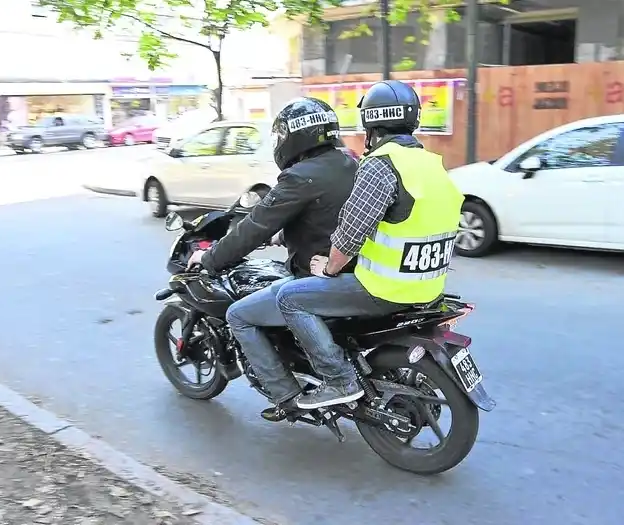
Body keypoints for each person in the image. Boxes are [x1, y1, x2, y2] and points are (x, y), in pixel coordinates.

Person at [276, 80, 465, 410]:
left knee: (290, 298)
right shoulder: (432, 164)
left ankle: (338, 381)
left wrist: (328, 267)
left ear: (370, 123)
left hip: (384, 289)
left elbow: (351, 233)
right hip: (430, 288)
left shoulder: (380, 164)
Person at [185, 97, 359, 421]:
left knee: (239, 315)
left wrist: (209, 258)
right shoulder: (349, 162)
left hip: (323, 279)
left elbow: (253, 226)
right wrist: (283, 236)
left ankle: (286, 396)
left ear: (293, 137)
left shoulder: (301, 176)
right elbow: (327, 218)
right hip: (359, 271)